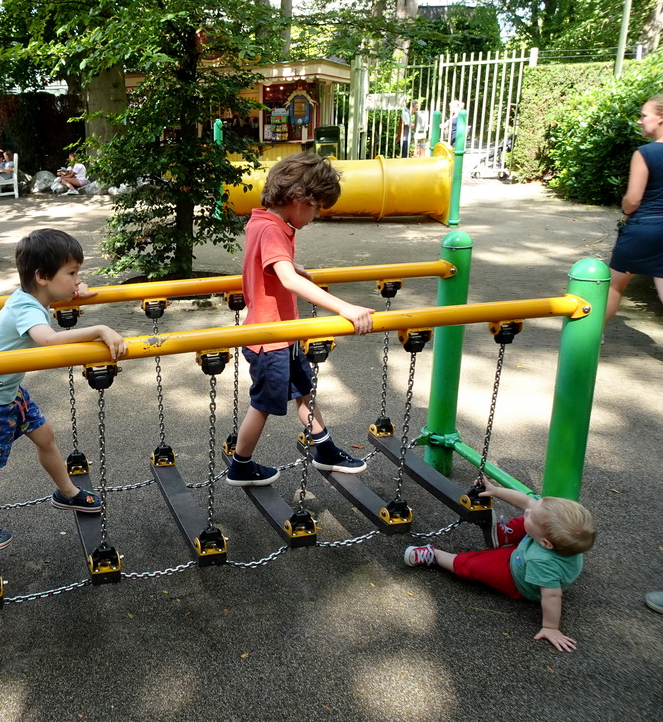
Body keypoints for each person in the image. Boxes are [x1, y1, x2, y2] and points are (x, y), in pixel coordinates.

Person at [0, 228, 128, 550]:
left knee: (44, 435)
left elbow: (63, 294)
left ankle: (67, 492)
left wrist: (79, 289)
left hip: (9, 391)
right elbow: (47, 340)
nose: (78, 279)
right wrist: (101, 329)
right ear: (43, 276)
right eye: (72, 272)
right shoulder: (27, 309)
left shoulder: (34, 296)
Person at [227, 152, 375, 487]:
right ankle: (241, 465)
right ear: (298, 199)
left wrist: (291, 266)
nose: (318, 214)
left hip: (285, 332)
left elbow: (268, 265)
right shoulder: (273, 231)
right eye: (317, 206)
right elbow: (289, 282)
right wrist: (345, 308)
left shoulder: (263, 221)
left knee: (304, 392)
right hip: (270, 339)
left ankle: (326, 451)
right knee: (262, 404)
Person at [404, 475, 596, 652]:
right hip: (529, 551)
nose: (527, 510)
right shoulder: (556, 540)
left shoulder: (542, 562)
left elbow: (552, 595)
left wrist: (550, 627)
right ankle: (503, 535)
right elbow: (527, 502)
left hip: (515, 576)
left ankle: (434, 555)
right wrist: (496, 491)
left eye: (532, 513)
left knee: (472, 566)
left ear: (546, 544)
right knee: (532, 521)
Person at [605, 95, 663, 323]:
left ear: (661, 117)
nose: (640, 121)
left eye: (644, 115)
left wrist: (626, 215)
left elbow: (633, 199)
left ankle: (590, 341)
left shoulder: (645, 153)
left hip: (644, 228)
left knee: (614, 286)